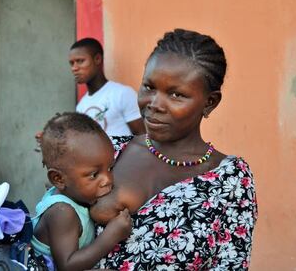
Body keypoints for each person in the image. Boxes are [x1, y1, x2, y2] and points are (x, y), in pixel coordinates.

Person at [89, 29, 258, 270]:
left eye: (176, 94)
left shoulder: (230, 181)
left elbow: (230, 263)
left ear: (210, 102)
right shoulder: (107, 153)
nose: (155, 104)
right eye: (149, 87)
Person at [30, 112, 132, 271]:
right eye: (94, 175)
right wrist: (111, 235)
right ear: (59, 179)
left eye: (110, 168)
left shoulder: (71, 193)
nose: (107, 180)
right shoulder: (62, 212)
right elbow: (67, 266)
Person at [69, 37, 145, 136]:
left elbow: (142, 136)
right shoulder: (81, 106)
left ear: (97, 59)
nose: (74, 68)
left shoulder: (122, 94)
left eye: (80, 61)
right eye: (71, 63)